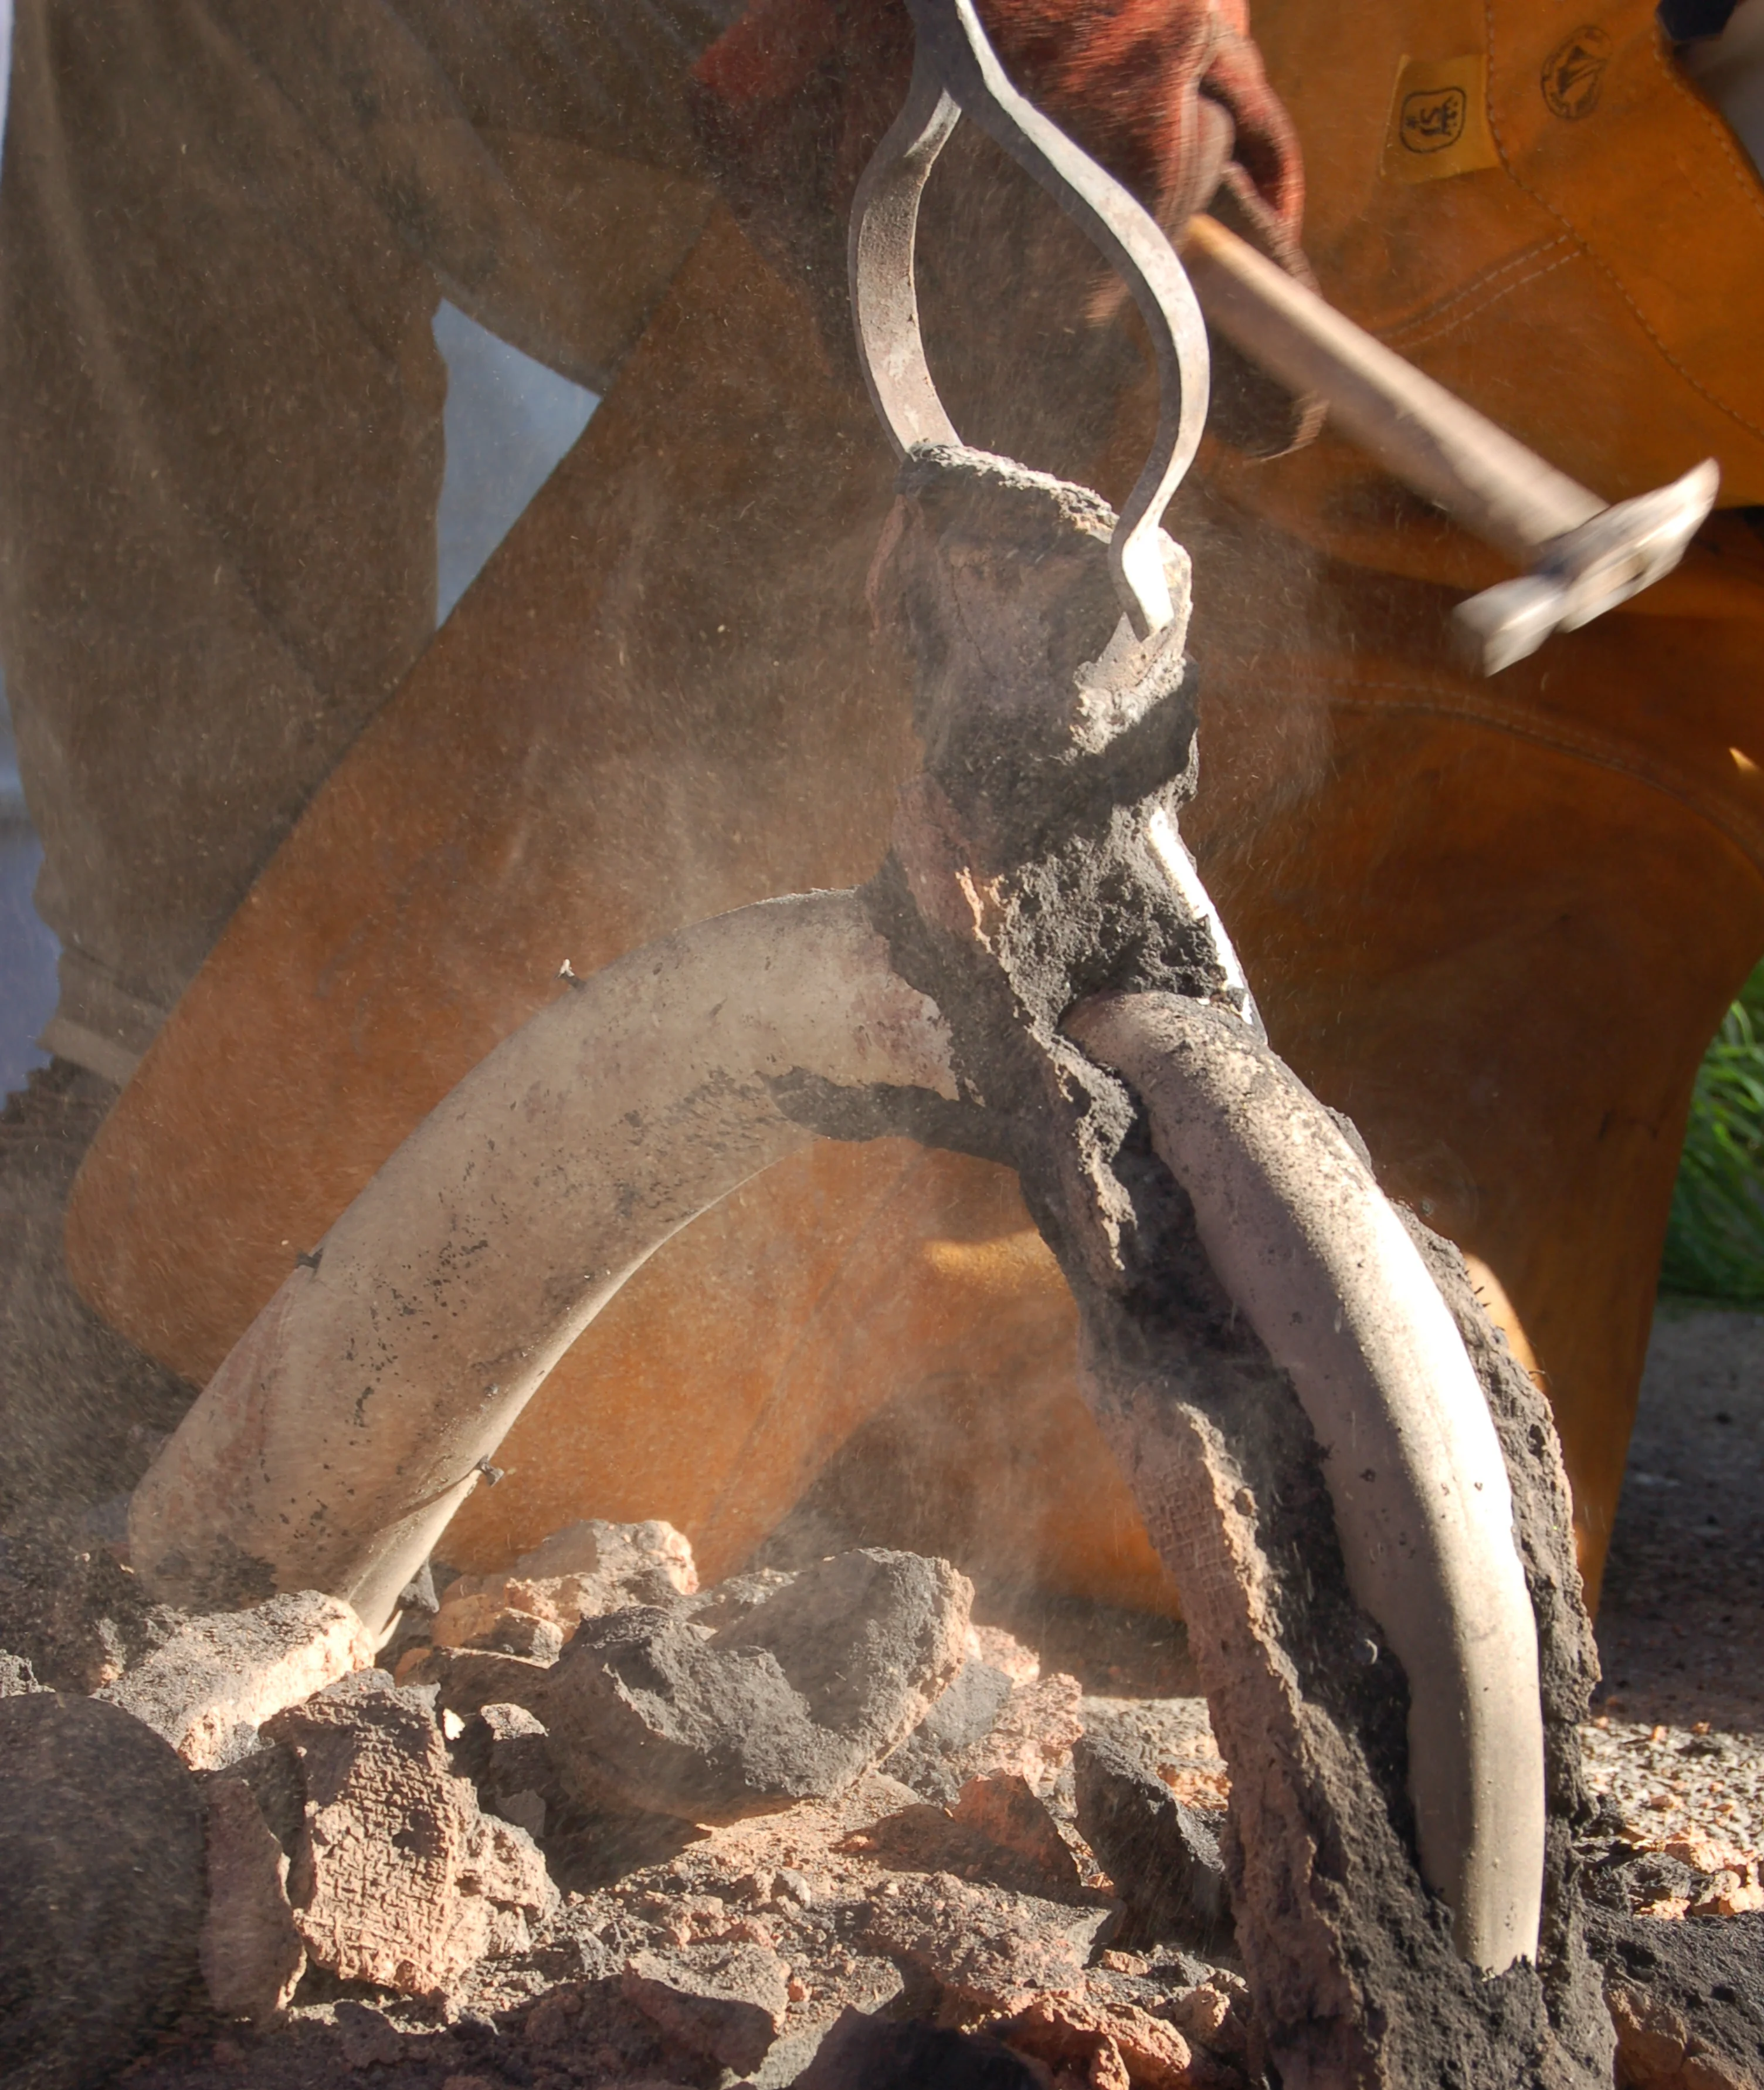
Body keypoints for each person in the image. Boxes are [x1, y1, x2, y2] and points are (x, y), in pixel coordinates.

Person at [2, 1, 1760, 1615]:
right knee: (270, 1282)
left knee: (1309, 1451)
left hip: (1565, 703)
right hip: (989, 265)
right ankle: (155, 1063)